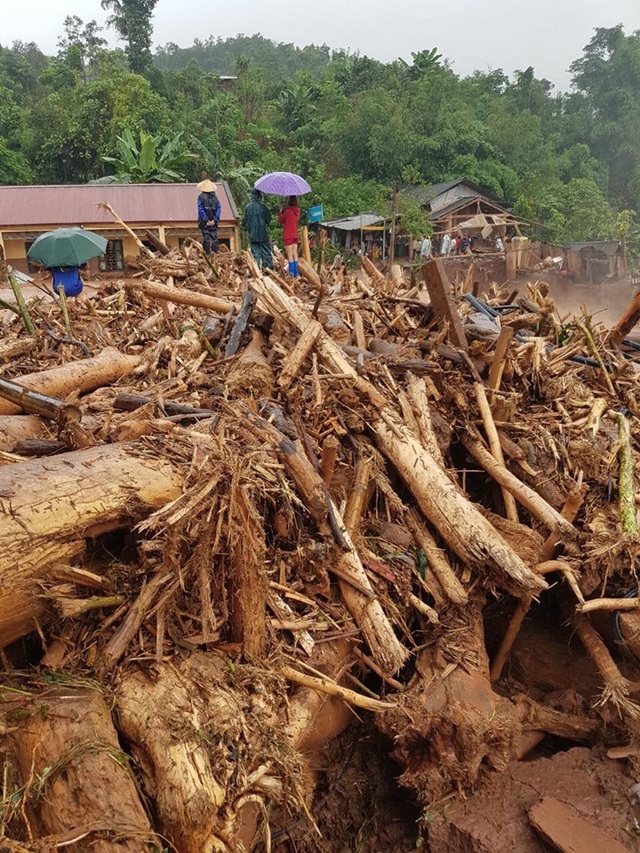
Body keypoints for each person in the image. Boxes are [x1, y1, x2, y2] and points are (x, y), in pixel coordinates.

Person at [243, 188, 273, 269]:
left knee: (255, 251)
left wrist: (246, 228)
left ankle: (257, 269)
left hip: (252, 232)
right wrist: (265, 224)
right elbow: (269, 218)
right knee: (266, 250)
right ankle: (269, 267)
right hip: (263, 232)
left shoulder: (248, 207)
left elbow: (245, 220)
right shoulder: (263, 206)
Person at [197, 179, 221, 255]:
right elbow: (219, 209)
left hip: (204, 222)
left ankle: (207, 255)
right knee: (214, 237)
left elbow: (200, 209)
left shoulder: (201, 197)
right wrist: (214, 220)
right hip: (213, 221)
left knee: (206, 237)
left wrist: (206, 220)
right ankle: (215, 254)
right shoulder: (216, 198)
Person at [278, 195, 301, 277]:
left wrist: (280, 212)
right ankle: (297, 273)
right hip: (295, 234)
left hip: (288, 234)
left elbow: (281, 220)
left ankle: (292, 274)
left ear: (288, 201)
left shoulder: (287, 211)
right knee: (295, 254)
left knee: (290, 254)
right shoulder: (298, 211)